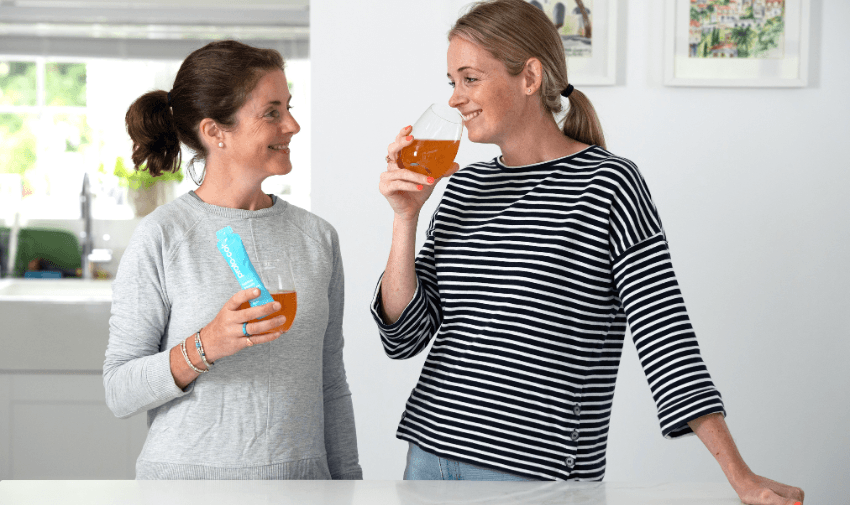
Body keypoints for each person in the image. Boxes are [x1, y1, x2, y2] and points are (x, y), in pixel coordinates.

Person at [373, 0, 803, 502]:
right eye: (452, 82)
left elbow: (665, 334)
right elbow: (404, 335)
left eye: (469, 79)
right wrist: (406, 218)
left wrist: (740, 477)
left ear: (529, 77)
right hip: (427, 455)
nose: (454, 100)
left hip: (534, 470)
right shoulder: (465, 188)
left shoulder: (608, 185)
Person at [104, 40, 361, 480]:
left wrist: (348, 485)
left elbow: (330, 383)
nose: (293, 125)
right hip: (188, 487)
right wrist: (206, 345)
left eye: (289, 107)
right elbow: (119, 390)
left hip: (302, 486)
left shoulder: (317, 238)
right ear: (215, 131)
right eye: (272, 112)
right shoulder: (163, 236)